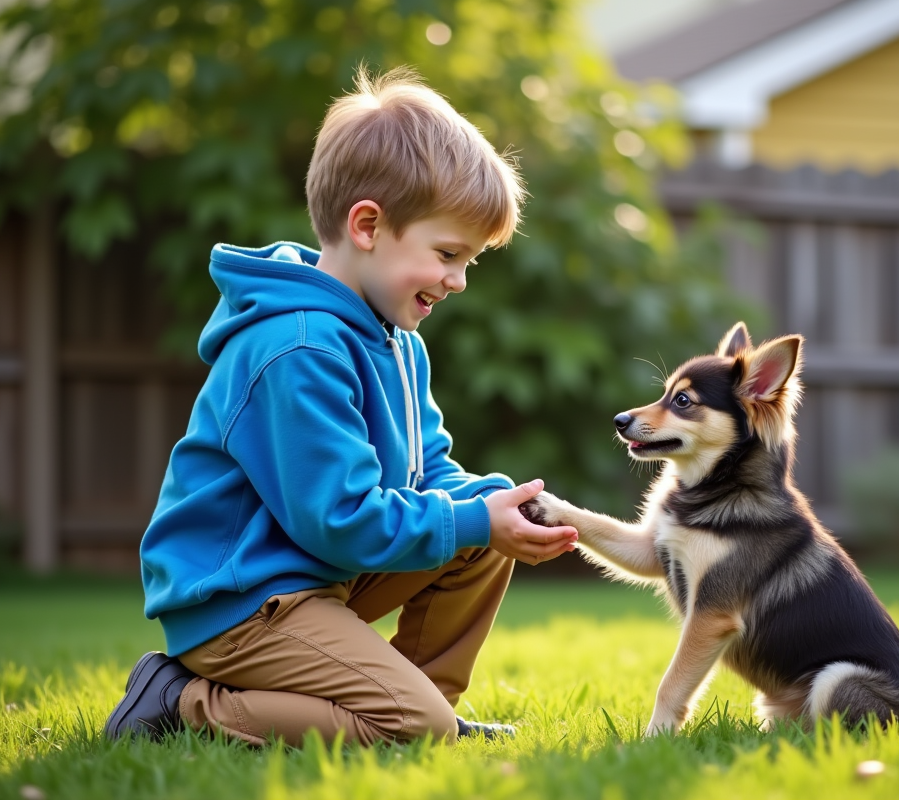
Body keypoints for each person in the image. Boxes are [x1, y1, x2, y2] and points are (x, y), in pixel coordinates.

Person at [103, 67, 579, 747]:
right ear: (367, 225)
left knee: (479, 538)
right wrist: (473, 518)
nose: (458, 280)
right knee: (420, 697)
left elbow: (429, 473)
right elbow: (338, 519)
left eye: (468, 261)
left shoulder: (396, 340)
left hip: (313, 577)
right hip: (241, 603)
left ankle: (421, 712)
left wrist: (496, 506)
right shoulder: (299, 348)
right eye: (448, 253)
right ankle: (181, 701)